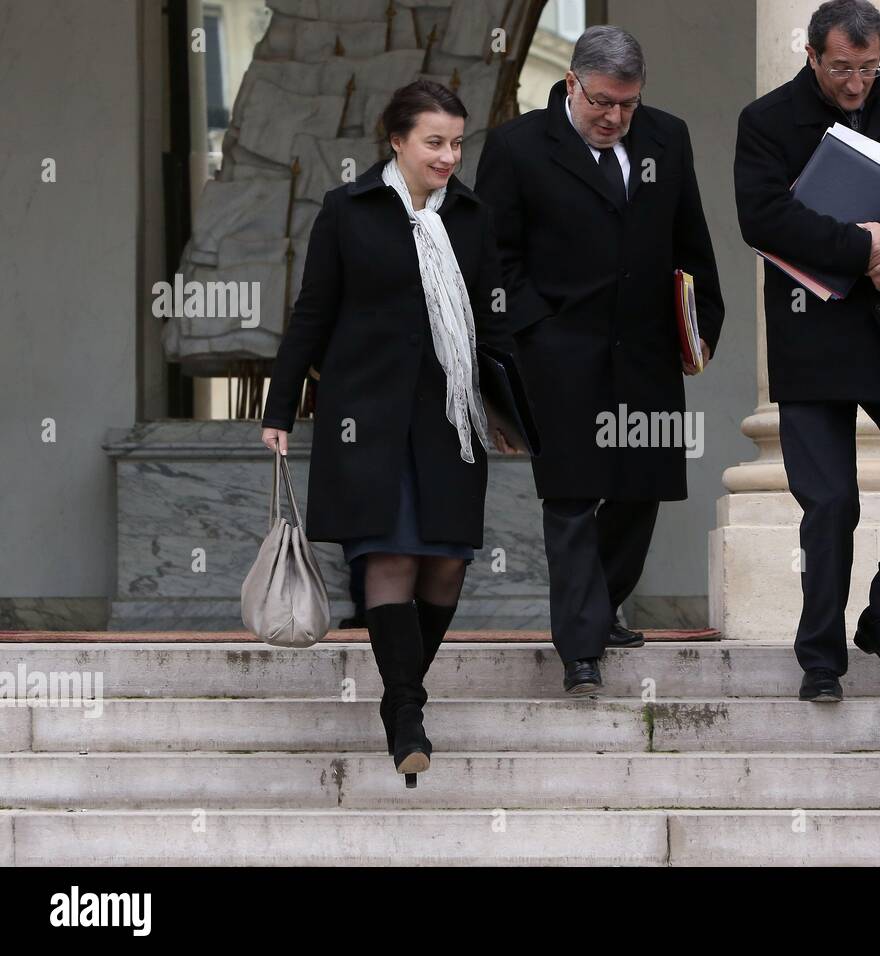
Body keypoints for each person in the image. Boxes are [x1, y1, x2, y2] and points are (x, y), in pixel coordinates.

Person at [259, 79, 517, 787]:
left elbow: (492, 325)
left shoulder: (472, 216)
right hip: (365, 419)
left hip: (448, 418)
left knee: (446, 564)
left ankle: (400, 697)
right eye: (434, 142)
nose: (447, 156)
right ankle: (407, 710)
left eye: (457, 143)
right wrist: (280, 410)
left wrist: (511, 409)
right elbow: (312, 314)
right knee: (390, 558)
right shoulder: (347, 212)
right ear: (396, 140)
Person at [476, 25, 724, 695]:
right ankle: (580, 647)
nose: (615, 117)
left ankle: (601, 608)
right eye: (602, 102)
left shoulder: (667, 138)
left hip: (645, 352)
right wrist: (532, 333)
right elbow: (494, 258)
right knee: (572, 497)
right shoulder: (517, 147)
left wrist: (702, 325)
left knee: (640, 490)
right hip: (558, 357)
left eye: (628, 103)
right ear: (571, 86)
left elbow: (689, 239)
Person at [733, 0, 880, 702]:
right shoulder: (766, 121)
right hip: (813, 338)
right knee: (830, 503)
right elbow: (764, 218)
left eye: (868, 67)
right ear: (811, 55)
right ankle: (820, 656)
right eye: (842, 69)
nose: (857, 83)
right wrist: (869, 249)